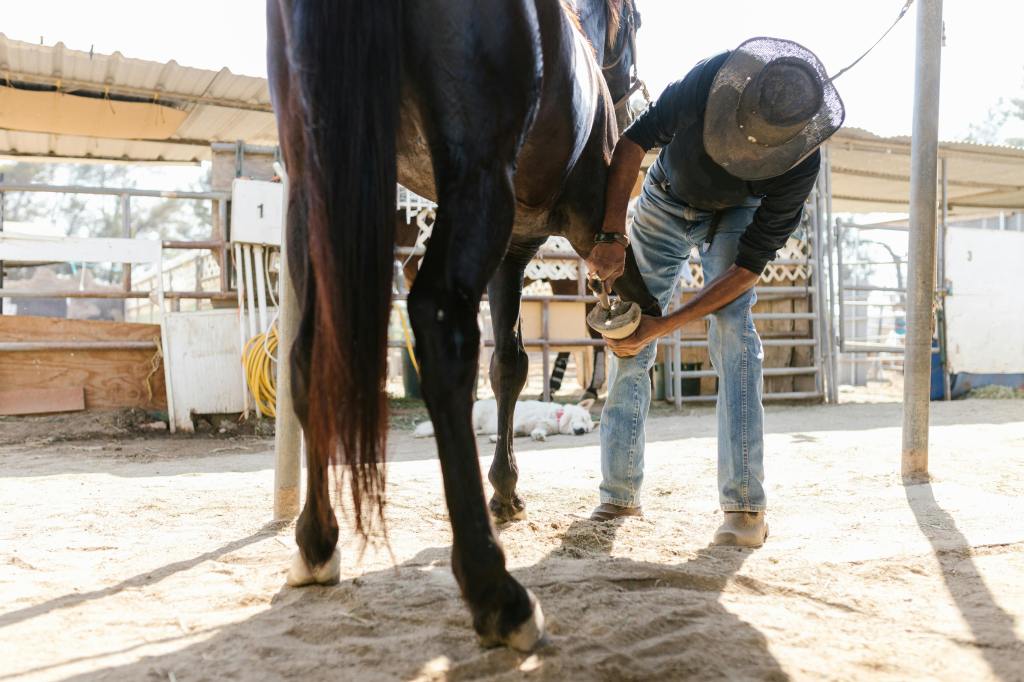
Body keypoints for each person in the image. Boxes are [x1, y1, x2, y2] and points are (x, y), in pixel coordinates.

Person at [585, 37, 844, 546]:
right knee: (631, 330)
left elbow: (746, 270)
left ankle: (745, 505)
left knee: (733, 335)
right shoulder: (711, 79)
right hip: (664, 199)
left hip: (737, 218)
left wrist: (670, 323)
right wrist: (612, 235)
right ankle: (618, 492)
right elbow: (634, 142)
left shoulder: (803, 162)